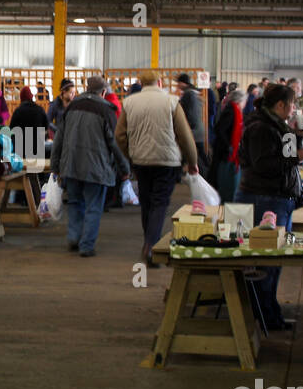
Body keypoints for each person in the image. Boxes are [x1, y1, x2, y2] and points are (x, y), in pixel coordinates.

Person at [237, 83, 303, 330]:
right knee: (265, 261)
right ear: (280, 105)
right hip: (264, 199)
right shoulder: (260, 128)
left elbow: (288, 159)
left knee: (274, 260)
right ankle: (262, 315)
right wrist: (297, 156)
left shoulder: (278, 126)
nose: (294, 109)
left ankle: (269, 312)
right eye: (292, 104)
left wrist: (295, 134)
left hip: (278, 198)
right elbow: (264, 165)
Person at [115, 71, 199, 268]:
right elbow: (185, 135)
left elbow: (119, 136)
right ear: (160, 82)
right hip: (167, 161)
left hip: (141, 162)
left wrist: (131, 154)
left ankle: (148, 242)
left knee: (146, 201)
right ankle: (151, 245)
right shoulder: (171, 102)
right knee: (160, 203)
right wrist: (192, 160)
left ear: (141, 83)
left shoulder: (129, 103)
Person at [50, 76, 129, 257]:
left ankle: (73, 238)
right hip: (97, 168)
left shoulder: (72, 107)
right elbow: (114, 144)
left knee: (75, 203)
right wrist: (124, 169)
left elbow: (58, 139)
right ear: (103, 92)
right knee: (94, 206)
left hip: (71, 165)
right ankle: (86, 246)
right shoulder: (106, 111)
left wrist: (55, 165)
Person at [212, 88, 245, 201]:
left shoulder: (232, 109)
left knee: (230, 183)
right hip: (226, 153)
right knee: (228, 184)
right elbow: (220, 129)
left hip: (229, 152)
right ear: (240, 101)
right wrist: (228, 146)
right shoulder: (231, 111)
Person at [175, 73, 211, 176]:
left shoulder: (189, 94)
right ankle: (207, 173)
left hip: (193, 130)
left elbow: (191, 114)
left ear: (183, 83)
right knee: (197, 153)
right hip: (197, 129)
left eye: (178, 83)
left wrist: (187, 127)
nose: (177, 85)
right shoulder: (193, 93)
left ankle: (205, 174)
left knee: (189, 153)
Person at [9, 85, 50, 159]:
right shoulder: (39, 110)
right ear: (31, 97)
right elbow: (46, 126)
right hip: (37, 148)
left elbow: (11, 130)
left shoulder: (18, 111)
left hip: (21, 150)